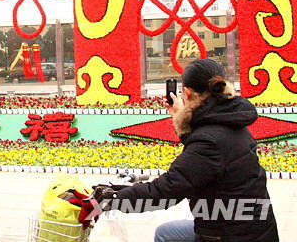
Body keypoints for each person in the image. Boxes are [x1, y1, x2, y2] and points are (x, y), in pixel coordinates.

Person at [102, 59, 279, 242]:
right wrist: (182, 117)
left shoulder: (209, 142)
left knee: (165, 235)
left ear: (186, 92)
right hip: (251, 227)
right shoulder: (230, 119)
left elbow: (165, 192)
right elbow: (204, 159)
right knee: (166, 232)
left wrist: (113, 200)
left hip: (232, 234)